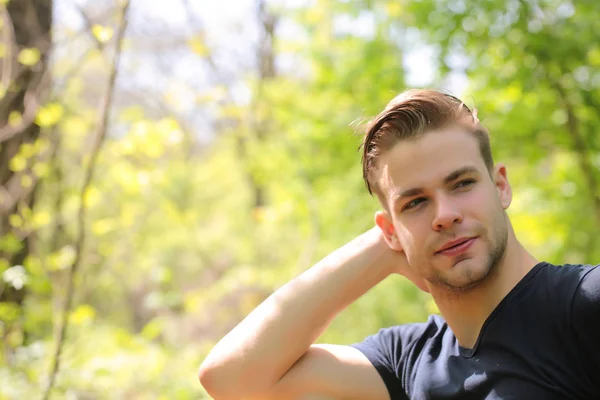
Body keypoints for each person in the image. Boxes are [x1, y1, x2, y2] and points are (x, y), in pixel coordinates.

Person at [198, 89, 600, 399]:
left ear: (500, 186)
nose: (444, 213)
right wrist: (381, 251)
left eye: (462, 184)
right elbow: (232, 377)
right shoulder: (405, 361)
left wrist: (409, 224)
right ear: (389, 231)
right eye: (416, 202)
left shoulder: (582, 306)